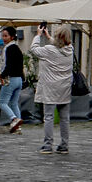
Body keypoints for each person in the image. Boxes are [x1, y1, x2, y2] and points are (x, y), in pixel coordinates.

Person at [31, 26, 73, 154]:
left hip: (50, 88)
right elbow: (58, 47)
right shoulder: (70, 50)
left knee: (48, 117)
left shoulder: (49, 50)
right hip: (65, 88)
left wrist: (38, 35)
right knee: (64, 118)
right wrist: (48, 37)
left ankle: (48, 144)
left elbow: (34, 49)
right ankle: (64, 145)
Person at [0, 28, 25, 136]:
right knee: (14, 103)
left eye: (5, 36)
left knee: (2, 102)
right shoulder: (18, 48)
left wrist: (2, 75)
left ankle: (14, 119)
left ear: (12, 37)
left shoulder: (8, 49)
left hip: (10, 78)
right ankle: (18, 127)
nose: (3, 38)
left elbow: (8, 65)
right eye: (3, 36)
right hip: (19, 79)